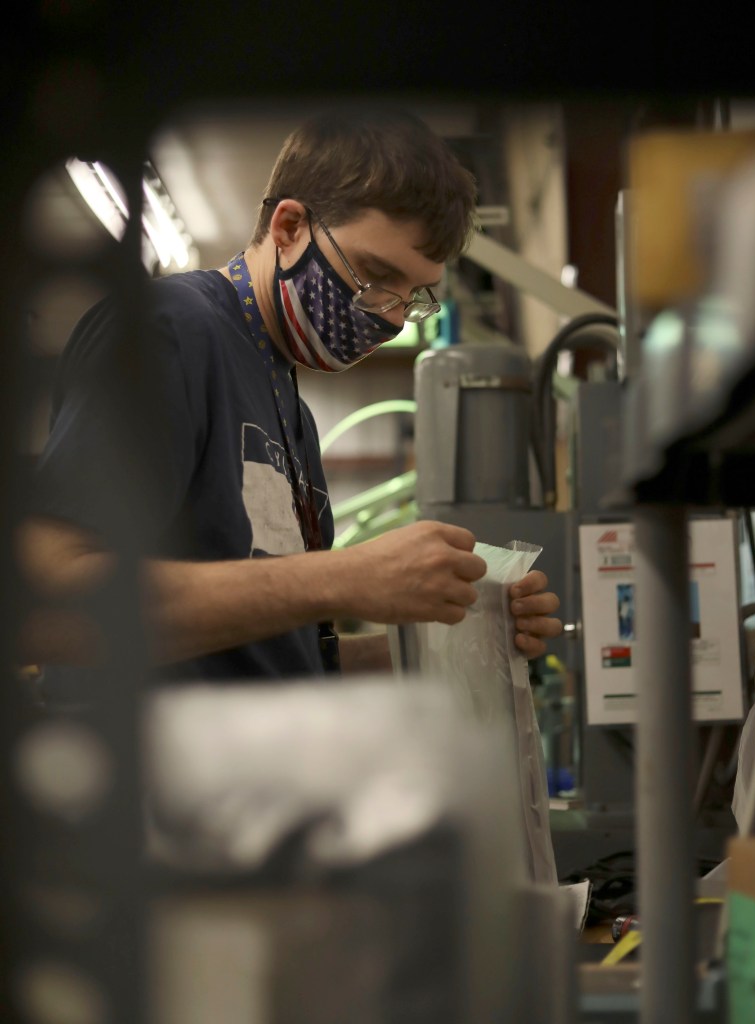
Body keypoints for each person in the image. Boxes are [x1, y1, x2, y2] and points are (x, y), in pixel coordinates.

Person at [17, 106, 561, 700]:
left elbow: (279, 659)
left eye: (413, 297)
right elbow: (46, 605)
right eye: (376, 276)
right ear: (290, 227)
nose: (392, 317)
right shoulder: (168, 331)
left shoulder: (290, 406)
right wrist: (343, 578)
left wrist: (456, 641)